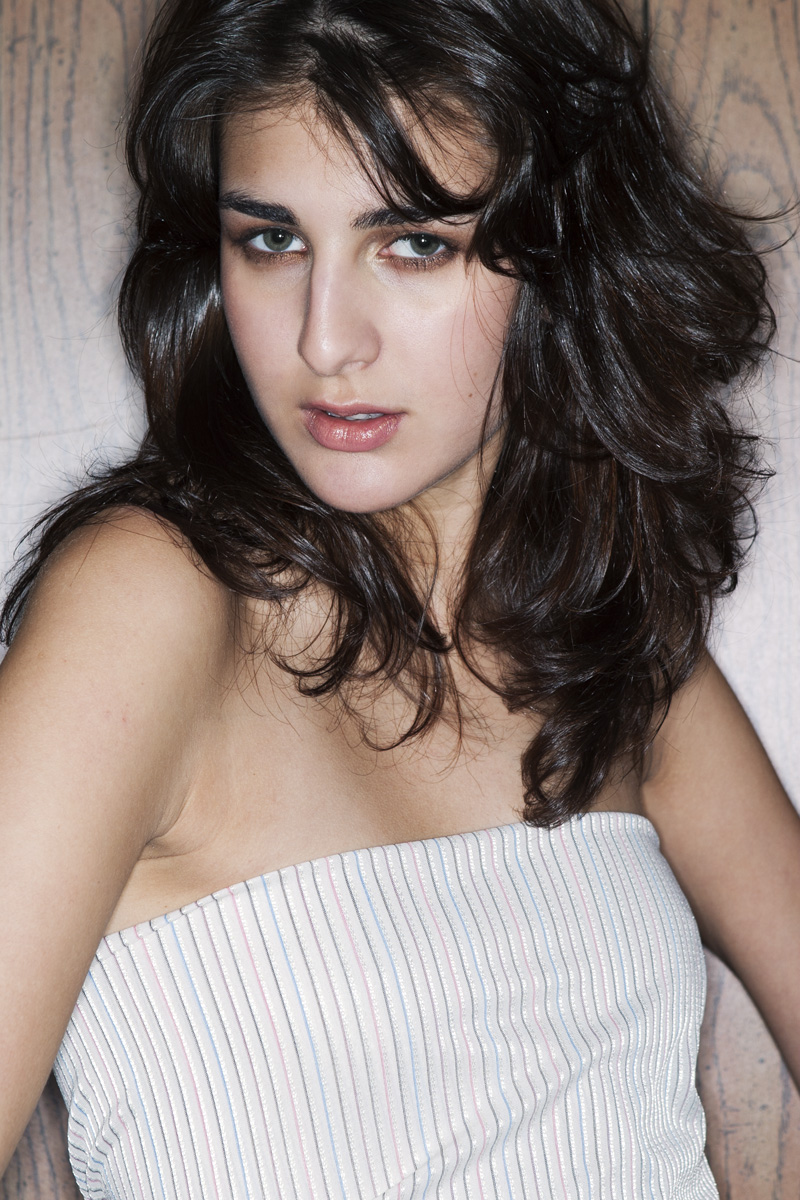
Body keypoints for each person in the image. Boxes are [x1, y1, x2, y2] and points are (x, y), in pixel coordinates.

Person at [1, 0, 798, 1194]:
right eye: (271, 240)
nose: (325, 340)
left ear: (561, 252)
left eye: (414, 243)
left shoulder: (609, 638)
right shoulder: (150, 602)